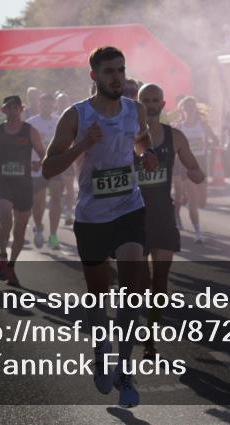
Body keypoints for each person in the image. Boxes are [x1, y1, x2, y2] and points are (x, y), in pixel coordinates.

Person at [42, 46, 158, 408]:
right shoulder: (75, 115)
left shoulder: (134, 109)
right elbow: (48, 168)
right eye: (109, 71)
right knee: (98, 296)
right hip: (92, 216)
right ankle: (100, 349)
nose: (117, 77)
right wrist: (81, 145)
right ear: (93, 76)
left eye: (121, 70)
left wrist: (145, 154)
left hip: (129, 208)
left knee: (133, 285)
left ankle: (124, 369)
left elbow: (141, 139)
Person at [136, 83, 206, 358]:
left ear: (163, 105)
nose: (151, 105)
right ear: (138, 104)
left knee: (160, 280)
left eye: (155, 100)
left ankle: (151, 339)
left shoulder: (175, 136)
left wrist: (197, 174)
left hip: (163, 214)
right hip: (134, 216)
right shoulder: (127, 135)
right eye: (146, 100)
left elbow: (194, 167)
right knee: (141, 282)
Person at [0, 95, 46, 287]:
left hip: (23, 185)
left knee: (20, 230)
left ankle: (11, 266)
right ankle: (3, 254)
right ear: (3, 110)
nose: (12, 111)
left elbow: (43, 152)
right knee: (6, 221)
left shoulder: (30, 131)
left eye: (16, 108)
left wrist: (39, 163)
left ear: (22, 109)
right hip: (3, 184)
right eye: (8, 108)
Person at [173, 96, 218, 244]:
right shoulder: (179, 128)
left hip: (202, 163)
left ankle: (187, 202)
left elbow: (215, 139)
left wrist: (210, 144)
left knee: (202, 202)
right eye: (187, 107)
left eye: (192, 106)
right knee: (193, 202)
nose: (190, 109)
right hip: (186, 165)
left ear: (196, 109)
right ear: (182, 110)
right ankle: (198, 233)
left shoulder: (203, 125)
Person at [28, 93, 63, 249]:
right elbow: (24, 146)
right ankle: (39, 229)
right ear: (39, 105)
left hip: (54, 167)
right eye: (44, 104)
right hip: (37, 168)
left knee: (56, 199)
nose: (47, 107)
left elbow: (65, 144)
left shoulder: (59, 122)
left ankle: (53, 235)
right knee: (39, 203)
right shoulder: (31, 123)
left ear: (53, 105)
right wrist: (30, 162)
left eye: (50, 104)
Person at [55, 91, 78, 226]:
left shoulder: (73, 117)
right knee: (56, 190)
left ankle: (69, 212)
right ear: (56, 104)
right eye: (60, 101)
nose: (62, 103)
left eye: (65, 101)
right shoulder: (52, 118)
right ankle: (59, 210)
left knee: (69, 187)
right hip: (55, 159)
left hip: (69, 158)